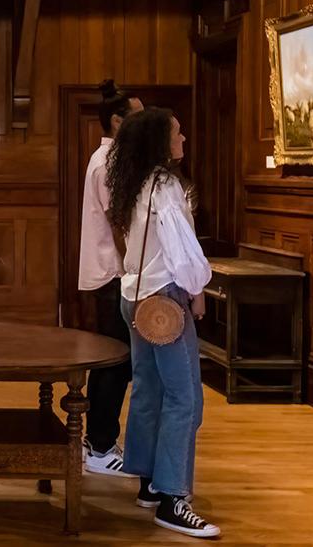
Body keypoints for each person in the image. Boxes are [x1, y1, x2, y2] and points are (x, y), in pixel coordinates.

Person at [108, 107, 219, 538]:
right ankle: (173, 499)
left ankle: (148, 482)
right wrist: (197, 290)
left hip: (133, 296)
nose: (184, 137)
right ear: (160, 141)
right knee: (184, 396)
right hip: (164, 300)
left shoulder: (132, 183)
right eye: (177, 132)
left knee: (148, 388)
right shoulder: (168, 187)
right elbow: (182, 251)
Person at [80, 80, 143, 479]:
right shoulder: (107, 164)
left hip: (115, 274)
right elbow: (119, 224)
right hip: (112, 274)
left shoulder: (115, 159)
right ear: (118, 121)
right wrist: (135, 270)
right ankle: (99, 446)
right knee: (114, 362)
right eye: (137, 116)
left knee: (117, 362)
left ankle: (98, 441)